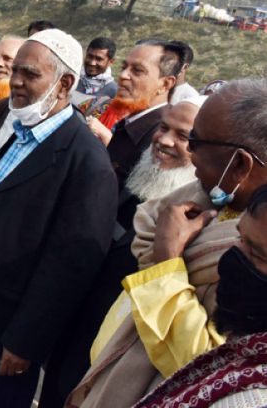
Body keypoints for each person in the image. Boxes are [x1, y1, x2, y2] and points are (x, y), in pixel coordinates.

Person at [0, 29, 118, 408]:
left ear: (65, 83)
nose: (14, 80)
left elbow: (71, 266)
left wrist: (25, 341)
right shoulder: (22, 132)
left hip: (2, 337)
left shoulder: (86, 162)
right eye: (15, 70)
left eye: (29, 74)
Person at [68, 78, 267, 408]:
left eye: (196, 142)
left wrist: (166, 263)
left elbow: (212, 365)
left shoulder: (252, 260)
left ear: (241, 164)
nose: (190, 155)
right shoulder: (202, 198)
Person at [38, 98, 204, 408]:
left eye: (183, 136)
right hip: (72, 342)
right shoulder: (135, 184)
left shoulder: (196, 220)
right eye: (163, 128)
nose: (165, 140)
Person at [135, 184, 267, 408]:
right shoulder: (249, 351)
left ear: (240, 163)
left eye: (255, 253)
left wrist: (168, 263)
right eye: (240, 239)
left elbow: (194, 354)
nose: (231, 256)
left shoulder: (251, 400)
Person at [88, 39, 183, 190]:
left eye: (137, 70)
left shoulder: (160, 136)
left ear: (165, 84)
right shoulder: (130, 122)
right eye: (124, 67)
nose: (124, 75)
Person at [71, 37, 117, 105]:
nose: (92, 63)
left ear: (111, 62)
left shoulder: (113, 91)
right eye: (90, 56)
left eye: (99, 59)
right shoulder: (72, 78)